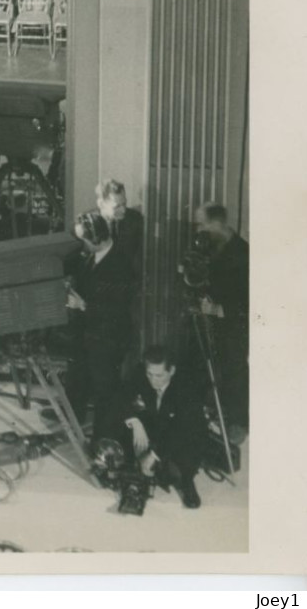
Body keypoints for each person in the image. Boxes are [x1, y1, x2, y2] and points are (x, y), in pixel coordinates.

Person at [66, 204, 140, 438]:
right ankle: (73, 426)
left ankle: (103, 441)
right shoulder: (91, 255)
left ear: (97, 239)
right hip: (88, 334)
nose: (82, 245)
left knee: (104, 392)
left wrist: (83, 305)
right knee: (77, 380)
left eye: (84, 241)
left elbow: (117, 308)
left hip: (109, 338)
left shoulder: (121, 265)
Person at [111, 347, 208, 509]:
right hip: (156, 423)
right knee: (119, 420)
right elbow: (120, 395)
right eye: (150, 374)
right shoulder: (142, 373)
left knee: (189, 448)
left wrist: (153, 455)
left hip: (181, 432)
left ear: (172, 371)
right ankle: (130, 468)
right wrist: (134, 421)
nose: (153, 380)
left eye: (159, 376)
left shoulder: (188, 388)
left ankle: (186, 481)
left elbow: (181, 430)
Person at [193, 203, 248, 437]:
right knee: (215, 370)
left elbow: (252, 300)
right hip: (213, 325)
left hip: (234, 326)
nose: (198, 230)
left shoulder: (242, 253)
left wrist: (218, 309)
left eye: (201, 224)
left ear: (216, 223)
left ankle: (238, 425)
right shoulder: (211, 246)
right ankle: (216, 419)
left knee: (235, 371)